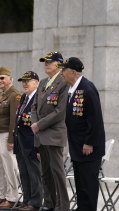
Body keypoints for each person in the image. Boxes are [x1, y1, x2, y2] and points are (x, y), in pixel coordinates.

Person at [59, 57, 105, 211]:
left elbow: (95, 118)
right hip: (77, 147)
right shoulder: (74, 90)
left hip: (88, 148)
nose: (61, 74)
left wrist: (89, 142)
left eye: (63, 70)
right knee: (80, 186)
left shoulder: (87, 88)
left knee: (88, 187)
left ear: (73, 72)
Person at [31, 51, 69, 211]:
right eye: (44, 61)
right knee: (45, 172)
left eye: (49, 62)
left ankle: (63, 205)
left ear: (59, 64)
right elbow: (34, 106)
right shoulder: (43, 82)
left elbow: (60, 111)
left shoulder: (63, 82)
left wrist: (39, 124)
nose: (46, 64)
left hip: (53, 134)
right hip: (40, 134)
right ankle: (49, 203)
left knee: (57, 172)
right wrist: (35, 124)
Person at [0, 66, 21, 209]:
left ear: (10, 79)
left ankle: (12, 197)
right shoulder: (0, 95)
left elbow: (14, 118)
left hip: (6, 135)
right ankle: (2, 196)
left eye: (2, 78)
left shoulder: (14, 95)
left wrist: (12, 139)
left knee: (9, 168)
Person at [13, 71, 42, 211]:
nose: (24, 83)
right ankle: (26, 200)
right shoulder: (24, 97)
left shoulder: (39, 98)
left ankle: (35, 202)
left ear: (36, 83)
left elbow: (39, 123)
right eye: (23, 81)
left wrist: (39, 146)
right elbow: (18, 119)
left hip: (32, 142)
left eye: (28, 81)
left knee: (34, 174)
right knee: (24, 173)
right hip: (20, 142)